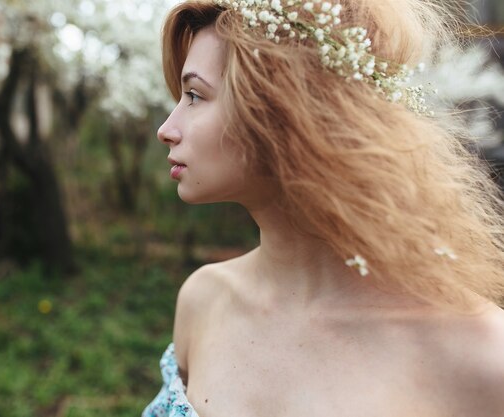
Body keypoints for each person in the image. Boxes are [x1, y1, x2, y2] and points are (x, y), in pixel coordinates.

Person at [143, 0, 504, 416]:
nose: (166, 129)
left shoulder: (476, 351)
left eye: (194, 95)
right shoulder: (204, 301)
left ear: (289, 112)